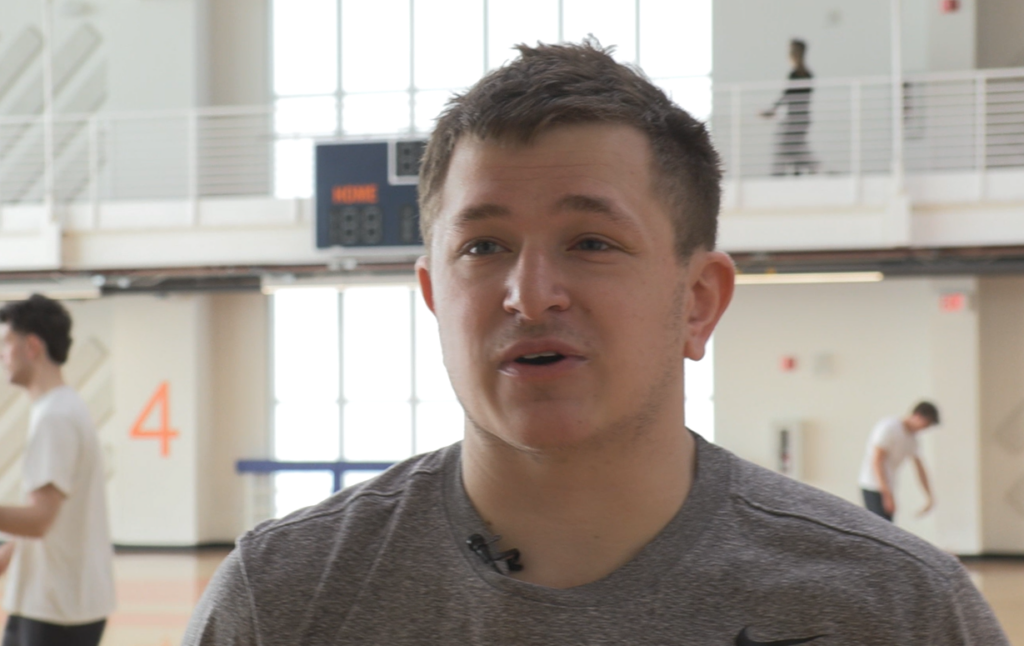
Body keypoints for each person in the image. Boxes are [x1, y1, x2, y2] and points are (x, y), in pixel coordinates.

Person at [184, 41, 1007, 644]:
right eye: (483, 247)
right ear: (434, 296)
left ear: (697, 301)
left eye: (591, 243)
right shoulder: (284, 602)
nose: (530, 294)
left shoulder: (894, 609)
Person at [0, 295, 115, 646]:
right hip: (54, 601)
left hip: (57, 608)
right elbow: (48, 518)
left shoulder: (55, 416)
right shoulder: (60, 408)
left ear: (32, 345)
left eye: (5, 343)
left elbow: (39, 519)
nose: (1, 356)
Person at [858, 401, 939, 522]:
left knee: (888, 530)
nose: (924, 429)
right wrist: (886, 494)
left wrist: (929, 497)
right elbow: (877, 461)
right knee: (880, 530)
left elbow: (920, 469)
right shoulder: (889, 427)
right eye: (925, 424)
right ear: (917, 416)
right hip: (873, 485)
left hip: (889, 487)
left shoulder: (912, 439)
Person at [761, 38, 817, 175]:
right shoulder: (808, 74)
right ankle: (803, 172)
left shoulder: (795, 74)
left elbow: (786, 95)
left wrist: (772, 110)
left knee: (787, 147)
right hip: (803, 117)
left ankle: (812, 169)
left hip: (795, 118)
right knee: (794, 148)